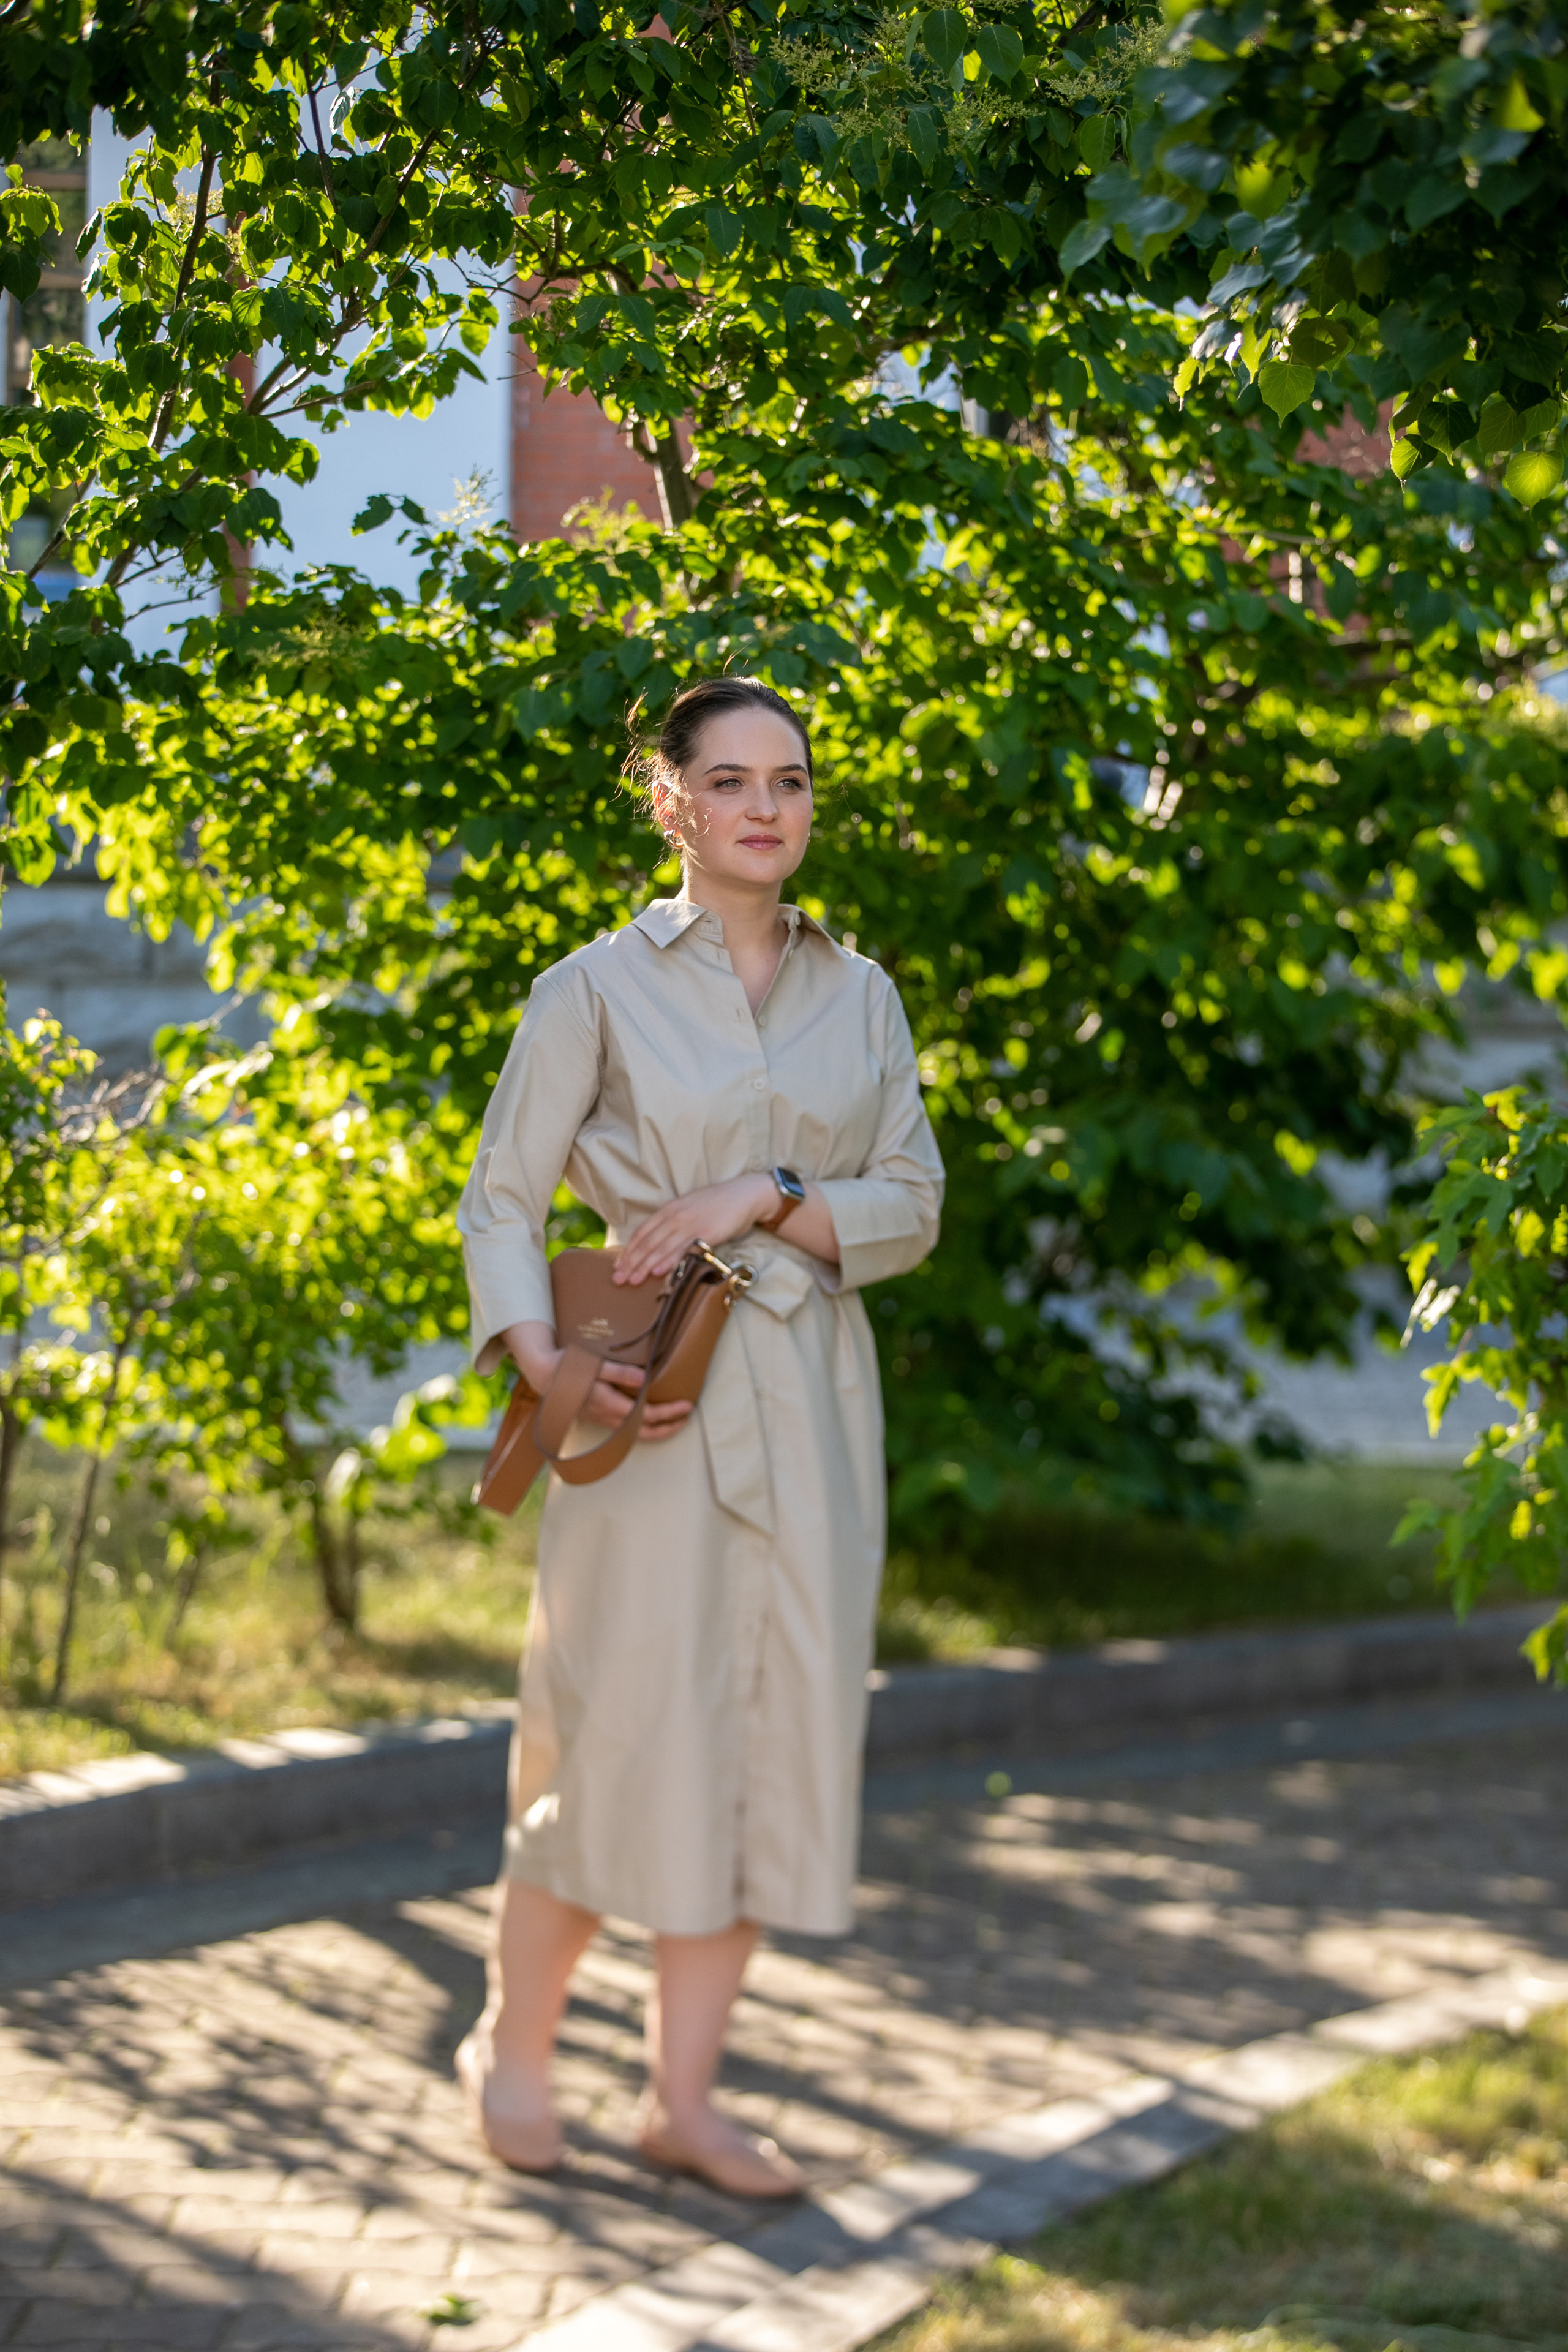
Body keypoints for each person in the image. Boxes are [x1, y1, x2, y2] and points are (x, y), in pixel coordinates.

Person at [453, 675, 944, 2197]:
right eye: (728, 782)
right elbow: (500, 1204)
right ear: (668, 800)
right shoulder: (587, 989)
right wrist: (542, 1365)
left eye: (788, 783)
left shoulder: (860, 994)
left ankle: (682, 2099)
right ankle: (513, 2054)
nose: (764, 809)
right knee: (616, 1739)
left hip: (810, 1402)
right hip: (645, 1399)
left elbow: (912, 1204)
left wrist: (760, 1196)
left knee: (766, 1754)